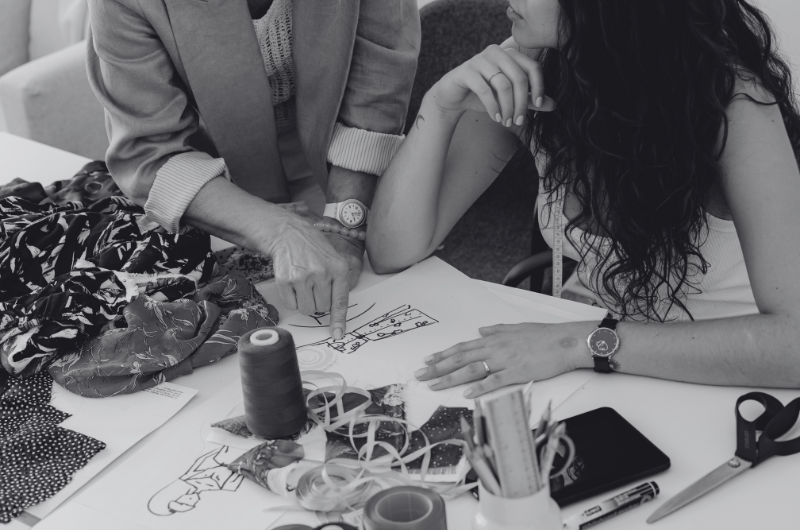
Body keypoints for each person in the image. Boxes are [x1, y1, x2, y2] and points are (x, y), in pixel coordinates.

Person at [367, 0, 800, 396]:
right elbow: (392, 251)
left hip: (740, 376)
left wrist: (576, 342)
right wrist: (440, 105)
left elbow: (792, 344)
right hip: (613, 357)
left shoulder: (733, 104)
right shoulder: (532, 66)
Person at [86, 0, 420, 339]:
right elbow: (151, 150)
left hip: (345, 151)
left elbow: (379, 77)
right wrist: (280, 231)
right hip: (213, 183)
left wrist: (347, 219)